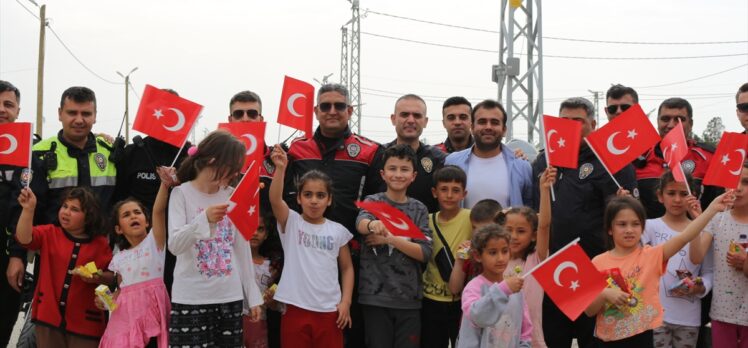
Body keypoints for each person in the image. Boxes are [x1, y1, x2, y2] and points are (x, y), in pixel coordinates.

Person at [531, 97, 638, 348]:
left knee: (595, 340)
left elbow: (627, 218)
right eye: (564, 122)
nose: (570, 127)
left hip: (596, 271)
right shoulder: (543, 161)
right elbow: (537, 215)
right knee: (555, 339)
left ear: (593, 123)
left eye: (577, 121)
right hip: (556, 269)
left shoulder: (611, 159)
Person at [283, 83, 382, 347]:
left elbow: (375, 203)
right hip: (305, 260)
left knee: (350, 331)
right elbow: (283, 198)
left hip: (353, 258)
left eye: (339, 106)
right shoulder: (296, 150)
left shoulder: (369, 151)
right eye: (325, 106)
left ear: (349, 111)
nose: (332, 111)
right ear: (316, 111)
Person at [584, 193, 732, 347]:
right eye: (622, 224)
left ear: (642, 228)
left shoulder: (652, 255)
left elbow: (685, 237)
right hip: (606, 340)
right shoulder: (597, 262)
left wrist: (712, 209)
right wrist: (605, 293)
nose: (629, 230)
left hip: (643, 338)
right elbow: (589, 311)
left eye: (635, 224)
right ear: (609, 229)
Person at [167, 131, 262, 347]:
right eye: (232, 167)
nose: (235, 173)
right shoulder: (180, 194)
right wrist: (204, 219)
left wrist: (253, 296)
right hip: (190, 298)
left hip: (229, 298)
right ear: (212, 160)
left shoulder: (232, 196)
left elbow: (241, 249)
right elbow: (174, 245)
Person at [268, 144, 354, 348]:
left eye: (320, 195)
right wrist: (280, 168)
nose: (314, 201)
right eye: (308, 195)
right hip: (295, 308)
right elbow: (274, 198)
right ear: (298, 198)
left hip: (330, 312)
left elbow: (347, 268)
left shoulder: (338, 230)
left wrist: (346, 303)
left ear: (329, 199)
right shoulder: (292, 222)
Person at [112, 88, 191, 296]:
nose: (165, 114)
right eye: (160, 108)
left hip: (180, 247)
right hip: (138, 247)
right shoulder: (133, 152)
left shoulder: (190, 157)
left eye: (172, 109)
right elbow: (118, 199)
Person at [15, 187, 114, 347]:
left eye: (74, 209)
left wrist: (98, 277)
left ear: (89, 217)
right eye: (64, 206)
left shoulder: (100, 244)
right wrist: (28, 210)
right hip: (48, 319)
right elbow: (24, 238)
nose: (66, 212)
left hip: (87, 325)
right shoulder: (49, 233)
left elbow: (111, 278)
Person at [356, 144, 433, 348]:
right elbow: (361, 224)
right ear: (382, 173)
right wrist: (373, 224)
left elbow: (424, 252)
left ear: (414, 176)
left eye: (404, 169)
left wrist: (390, 238)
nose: (398, 174)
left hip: (409, 300)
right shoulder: (372, 202)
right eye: (392, 168)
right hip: (374, 298)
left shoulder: (419, 209)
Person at [99, 167, 175, 347]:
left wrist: (164, 185)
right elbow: (120, 289)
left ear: (147, 221)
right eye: (126, 215)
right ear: (118, 229)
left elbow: (158, 211)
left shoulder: (154, 241)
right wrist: (106, 300)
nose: (133, 216)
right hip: (125, 318)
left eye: (137, 213)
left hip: (152, 314)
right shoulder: (118, 257)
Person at [641, 171, 713, 348]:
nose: (678, 200)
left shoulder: (706, 231)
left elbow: (709, 271)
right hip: (654, 315)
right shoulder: (649, 227)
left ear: (693, 197)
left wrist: (700, 286)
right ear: (660, 196)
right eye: (671, 193)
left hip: (688, 318)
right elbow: (639, 265)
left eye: (684, 194)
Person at [31, 86, 117, 225]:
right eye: (72, 113)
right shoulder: (37, 153)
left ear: (95, 116)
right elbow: (32, 209)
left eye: (86, 114)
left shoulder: (111, 151)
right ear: (60, 113)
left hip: (101, 243)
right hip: (54, 243)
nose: (79, 120)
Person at [690, 162, 748, 348]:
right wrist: (696, 223)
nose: (737, 188)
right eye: (732, 181)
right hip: (723, 312)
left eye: (746, 182)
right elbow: (697, 257)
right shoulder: (717, 219)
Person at [496, 166, 554, 348]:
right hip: (497, 336)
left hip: (530, 337)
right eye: (508, 230)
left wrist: (544, 190)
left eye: (521, 231)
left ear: (534, 235)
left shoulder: (536, 259)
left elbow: (544, 225)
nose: (513, 236)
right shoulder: (495, 262)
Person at [634, 97, 719, 219]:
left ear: (690, 124)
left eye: (679, 119)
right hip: (648, 236)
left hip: (696, 236)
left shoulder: (709, 157)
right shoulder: (637, 158)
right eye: (665, 119)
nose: (671, 125)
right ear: (657, 122)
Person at [445, 99, 533, 209]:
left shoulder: (521, 166)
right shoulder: (452, 162)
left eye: (494, 122)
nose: (488, 127)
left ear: (504, 129)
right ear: (472, 127)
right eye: (482, 122)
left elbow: (529, 211)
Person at [456, 224, 532, 348]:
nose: (500, 258)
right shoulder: (473, 288)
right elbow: (478, 317)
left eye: (505, 251)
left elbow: (525, 328)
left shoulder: (515, 288)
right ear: (477, 256)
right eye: (492, 253)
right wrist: (503, 290)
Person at [420, 165, 472, 348]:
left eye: (455, 190)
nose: (449, 195)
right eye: (444, 189)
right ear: (434, 192)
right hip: (430, 299)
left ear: (464, 194)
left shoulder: (471, 218)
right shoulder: (426, 220)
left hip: (460, 300)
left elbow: (496, 220)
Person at [381, 94, 446, 213]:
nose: (411, 120)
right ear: (393, 119)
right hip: (383, 230)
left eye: (417, 115)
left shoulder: (439, 160)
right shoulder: (377, 155)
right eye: (404, 114)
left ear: (425, 121)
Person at [0, 80, 29, 347]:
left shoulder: (33, 150)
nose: (2, 110)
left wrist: (17, 255)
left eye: (8, 104)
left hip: (9, 257)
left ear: (18, 110)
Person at [242, 214, 284, 348]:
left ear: (266, 234)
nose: (254, 233)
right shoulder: (233, 260)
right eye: (250, 228)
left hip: (259, 321)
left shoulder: (271, 267)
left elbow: (274, 303)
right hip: (234, 320)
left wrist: (272, 301)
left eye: (260, 229)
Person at [448, 199, 504, 296]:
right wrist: (459, 261)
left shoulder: (506, 253)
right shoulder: (470, 252)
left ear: (500, 227)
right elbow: (454, 289)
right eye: (474, 227)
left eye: (484, 229)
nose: (478, 234)